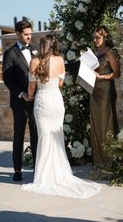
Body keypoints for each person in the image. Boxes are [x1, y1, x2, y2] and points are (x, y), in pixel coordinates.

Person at [21, 34, 101, 199]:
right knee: (57, 137)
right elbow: (60, 83)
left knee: (44, 138)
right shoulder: (59, 60)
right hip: (56, 101)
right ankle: (59, 174)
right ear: (54, 45)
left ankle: (44, 176)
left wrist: (30, 96)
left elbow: (31, 87)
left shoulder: (34, 61)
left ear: (42, 45)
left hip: (42, 101)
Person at [2, 20, 38, 181]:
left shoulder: (36, 51)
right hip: (19, 102)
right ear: (17, 34)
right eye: (26, 34)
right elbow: (7, 79)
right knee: (19, 135)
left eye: (30, 34)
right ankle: (17, 169)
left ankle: (38, 168)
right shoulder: (10, 53)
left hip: (37, 100)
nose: (29, 37)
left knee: (36, 134)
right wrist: (21, 94)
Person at [90, 26, 120, 168]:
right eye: (94, 37)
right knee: (96, 124)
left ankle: (109, 161)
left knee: (106, 123)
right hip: (94, 91)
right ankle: (98, 161)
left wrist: (102, 76)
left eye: (98, 37)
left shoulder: (109, 52)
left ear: (104, 37)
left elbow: (117, 73)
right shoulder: (94, 53)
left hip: (106, 92)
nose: (95, 40)